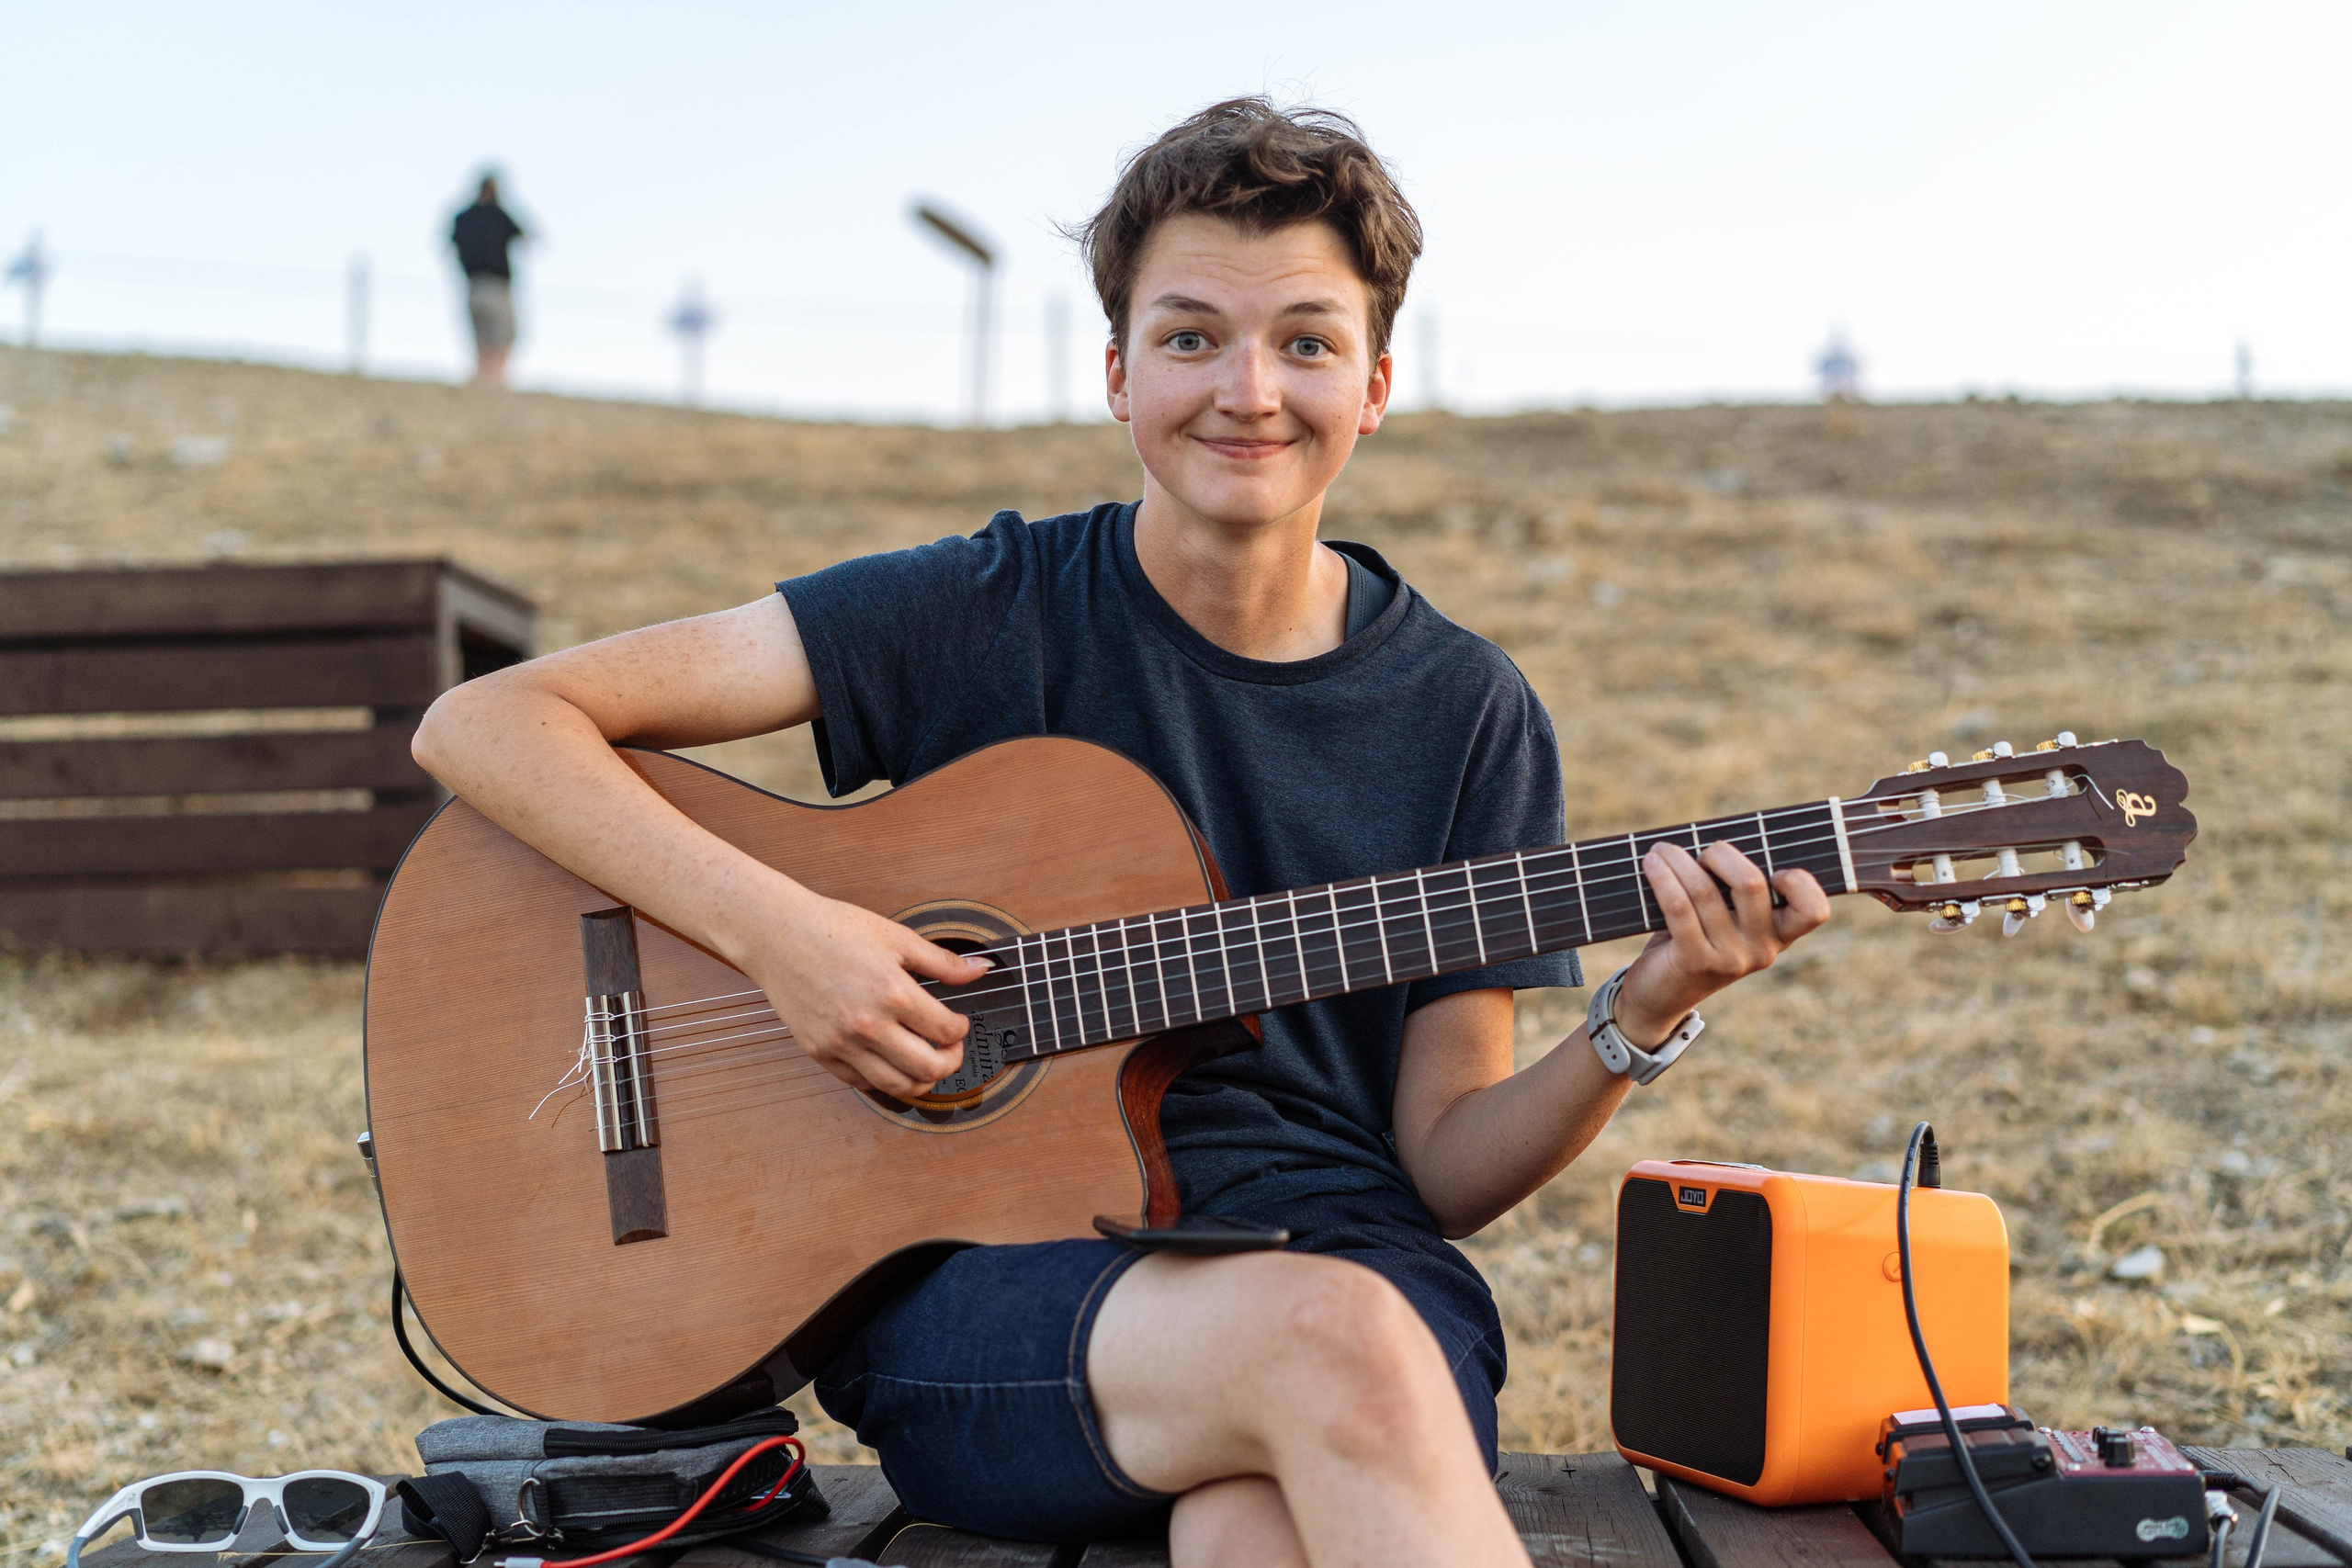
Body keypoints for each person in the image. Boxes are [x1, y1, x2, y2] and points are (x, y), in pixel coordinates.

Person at [412, 99, 1831, 1568]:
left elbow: (1447, 1160)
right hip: (996, 1296)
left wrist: (1644, 1013)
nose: (1248, 390)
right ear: (1116, 372)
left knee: (1256, 1522)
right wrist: (784, 937)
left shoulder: (1467, 710)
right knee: (1337, 1345)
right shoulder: (989, 605)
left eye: (1306, 340)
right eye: (1191, 335)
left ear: (1378, 381)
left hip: (1341, 1250)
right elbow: (487, 726)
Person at [451, 173, 525, 385]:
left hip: (473, 285)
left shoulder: (463, 218)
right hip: (497, 285)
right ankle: (495, 381)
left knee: (482, 339)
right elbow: (526, 237)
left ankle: (483, 381)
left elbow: (451, 244)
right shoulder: (499, 216)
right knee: (503, 336)